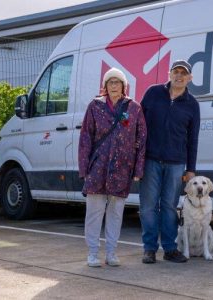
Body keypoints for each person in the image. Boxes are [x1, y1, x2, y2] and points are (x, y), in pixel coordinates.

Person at [78, 67, 146, 267]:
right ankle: (92, 253)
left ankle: (111, 253)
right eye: (110, 82)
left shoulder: (134, 108)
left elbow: (141, 139)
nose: (114, 85)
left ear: (124, 86)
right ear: (105, 86)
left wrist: (138, 169)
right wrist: (84, 168)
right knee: (94, 213)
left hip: (122, 169)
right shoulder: (94, 106)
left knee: (116, 213)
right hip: (97, 167)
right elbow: (85, 138)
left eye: (118, 82)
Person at [140, 60, 201, 264]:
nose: (179, 76)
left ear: (190, 78)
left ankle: (169, 248)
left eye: (184, 73)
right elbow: (139, 127)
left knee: (169, 206)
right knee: (148, 206)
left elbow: (193, 139)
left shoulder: (192, 104)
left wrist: (190, 169)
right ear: (169, 73)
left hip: (176, 163)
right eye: (176, 72)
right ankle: (149, 249)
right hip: (150, 160)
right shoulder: (152, 93)